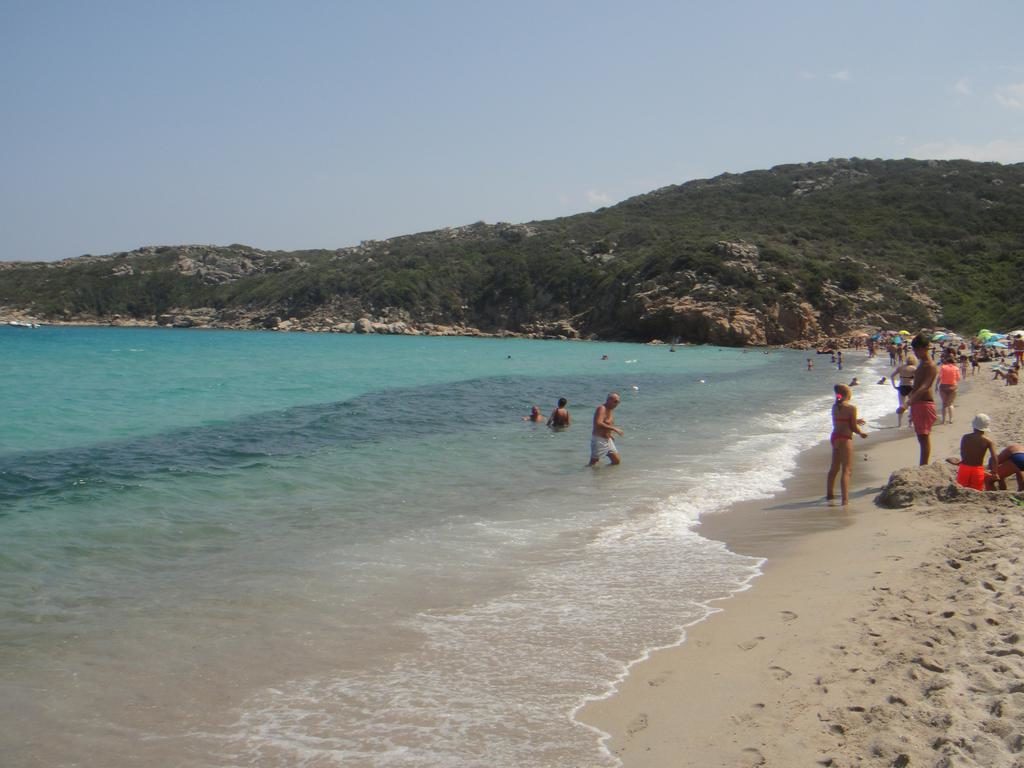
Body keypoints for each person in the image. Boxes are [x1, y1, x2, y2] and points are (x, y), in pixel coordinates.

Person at [826, 384, 868, 505]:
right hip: (845, 438)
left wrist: (856, 421)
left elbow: (842, 421)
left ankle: (829, 494)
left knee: (834, 468)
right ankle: (845, 500)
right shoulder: (851, 408)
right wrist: (861, 433)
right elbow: (853, 427)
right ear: (848, 394)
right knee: (847, 470)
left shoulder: (835, 407)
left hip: (835, 437)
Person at [907, 334, 938, 465]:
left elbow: (925, 386)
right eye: (914, 350)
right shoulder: (921, 364)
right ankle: (923, 465)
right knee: (921, 437)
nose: (915, 353)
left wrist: (907, 402)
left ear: (925, 348)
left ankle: (923, 465)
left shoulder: (930, 365)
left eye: (917, 349)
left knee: (924, 437)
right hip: (918, 403)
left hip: (924, 404)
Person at [954, 414, 998, 491]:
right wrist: (994, 472)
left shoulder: (965, 437)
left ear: (974, 426)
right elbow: (994, 458)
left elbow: (963, 452)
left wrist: (962, 461)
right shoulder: (988, 441)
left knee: (960, 490)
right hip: (977, 469)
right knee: (977, 491)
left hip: (964, 467)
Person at [588, 392, 623, 466]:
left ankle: (606, 475)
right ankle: (586, 475)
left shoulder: (610, 410)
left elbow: (608, 423)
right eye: (615, 401)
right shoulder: (601, 408)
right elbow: (598, 423)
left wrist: (610, 435)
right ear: (609, 400)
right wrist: (614, 429)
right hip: (599, 440)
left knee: (616, 461)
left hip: (607, 440)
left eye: (618, 402)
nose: (617, 404)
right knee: (593, 463)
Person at [892, 354, 917, 427]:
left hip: (902, 386)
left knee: (901, 405)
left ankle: (899, 423)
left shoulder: (901, 367)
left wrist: (894, 386)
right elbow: (917, 379)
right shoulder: (914, 368)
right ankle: (910, 423)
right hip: (910, 386)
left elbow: (892, 376)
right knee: (912, 405)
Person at [937, 353, 961, 424]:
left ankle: (943, 420)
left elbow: (939, 377)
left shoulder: (943, 367)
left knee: (944, 404)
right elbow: (958, 378)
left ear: (947, 362)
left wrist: (936, 385)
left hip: (943, 386)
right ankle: (951, 419)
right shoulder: (956, 368)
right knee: (950, 404)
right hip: (952, 386)